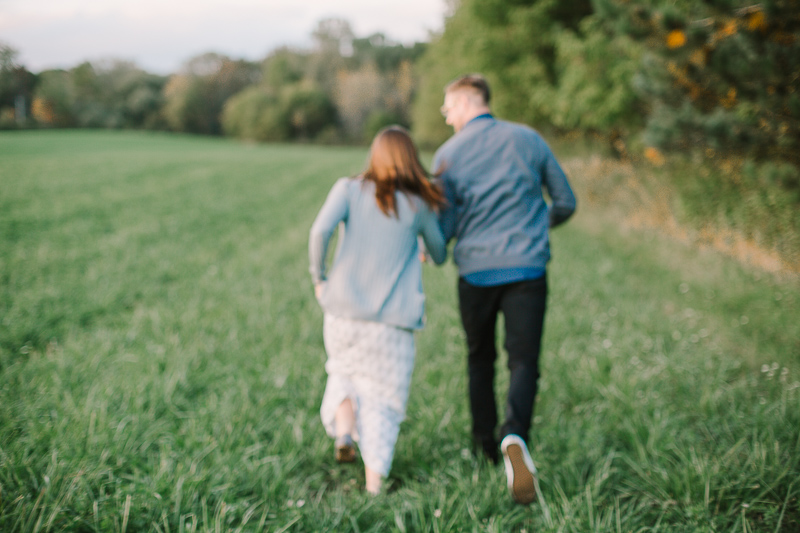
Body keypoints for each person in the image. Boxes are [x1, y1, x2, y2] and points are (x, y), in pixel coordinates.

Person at [433, 74, 576, 504]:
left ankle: (483, 447)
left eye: (447, 109)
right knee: (523, 361)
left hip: (475, 273)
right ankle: (514, 436)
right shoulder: (529, 139)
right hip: (527, 269)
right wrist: (536, 225)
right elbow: (565, 201)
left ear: (463, 102)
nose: (446, 117)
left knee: (480, 357)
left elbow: (447, 225)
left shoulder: (447, 155)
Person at [309, 126, 447, 495]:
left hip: (341, 313)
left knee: (342, 370)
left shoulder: (348, 189)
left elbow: (320, 231)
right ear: (410, 158)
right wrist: (420, 243)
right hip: (390, 324)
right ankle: (373, 487)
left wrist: (319, 277)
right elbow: (439, 252)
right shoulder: (418, 204)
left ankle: (343, 430)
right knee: (383, 398)